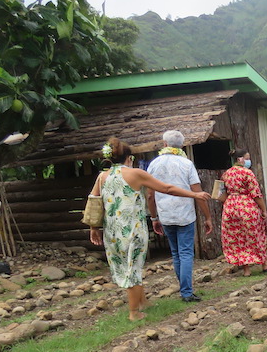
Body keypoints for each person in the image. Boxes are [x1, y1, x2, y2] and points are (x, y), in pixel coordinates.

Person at [88, 137, 210, 321]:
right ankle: (134, 312)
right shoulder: (135, 173)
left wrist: (93, 228)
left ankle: (143, 301)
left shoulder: (102, 176)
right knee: (133, 269)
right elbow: (167, 188)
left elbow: (94, 201)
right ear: (129, 158)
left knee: (128, 265)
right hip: (132, 230)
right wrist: (194, 194)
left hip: (112, 231)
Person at [146, 130, 213, 303]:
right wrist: (207, 217)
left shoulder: (154, 164)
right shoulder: (187, 164)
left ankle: (185, 289)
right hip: (185, 214)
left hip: (166, 214)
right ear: (181, 146)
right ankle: (186, 292)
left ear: (164, 144)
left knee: (176, 253)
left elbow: (150, 195)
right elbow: (197, 192)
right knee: (185, 253)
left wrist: (154, 218)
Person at [218, 148, 267, 276]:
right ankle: (264, 263)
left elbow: (220, 194)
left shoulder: (226, 174)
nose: (249, 160)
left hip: (230, 207)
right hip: (246, 207)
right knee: (255, 235)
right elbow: (256, 194)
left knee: (237, 238)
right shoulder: (247, 173)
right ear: (240, 159)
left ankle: (246, 270)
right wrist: (264, 210)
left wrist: (230, 202)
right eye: (247, 158)